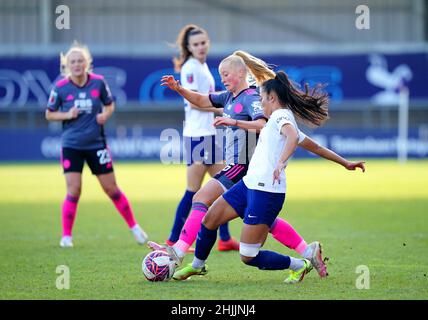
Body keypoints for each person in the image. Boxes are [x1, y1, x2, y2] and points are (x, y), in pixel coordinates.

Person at [150, 51, 365, 278]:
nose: (222, 78)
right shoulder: (231, 98)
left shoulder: (254, 100)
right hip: (251, 175)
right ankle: (307, 251)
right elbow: (203, 100)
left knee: (203, 201)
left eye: (226, 74)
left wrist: (235, 123)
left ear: (242, 73)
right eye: (220, 74)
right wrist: (179, 89)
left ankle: (179, 251)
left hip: (242, 165)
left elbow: (264, 124)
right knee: (237, 219)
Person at [46, 42, 148, 248]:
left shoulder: (99, 83)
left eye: (80, 61)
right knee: (74, 190)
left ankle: (135, 228)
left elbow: (110, 104)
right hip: (71, 145)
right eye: (72, 61)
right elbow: (49, 113)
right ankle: (66, 236)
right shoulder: (60, 88)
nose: (77, 64)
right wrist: (67, 114)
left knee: (111, 189)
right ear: (66, 65)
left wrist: (105, 114)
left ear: (87, 63)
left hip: (97, 145)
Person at [165, 25, 239, 251]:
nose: (200, 47)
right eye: (195, 44)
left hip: (207, 135)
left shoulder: (201, 66)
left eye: (203, 42)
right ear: (188, 47)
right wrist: (225, 110)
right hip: (199, 136)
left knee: (225, 184)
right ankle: (172, 239)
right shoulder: (190, 68)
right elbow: (194, 102)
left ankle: (225, 239)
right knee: (193, 191)